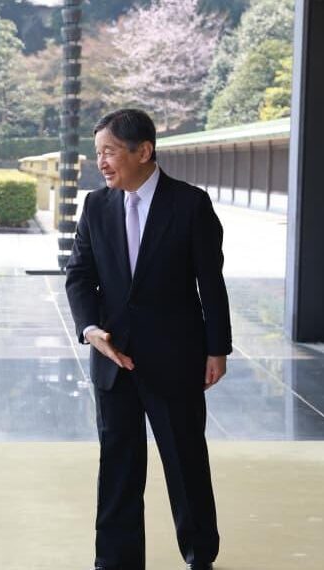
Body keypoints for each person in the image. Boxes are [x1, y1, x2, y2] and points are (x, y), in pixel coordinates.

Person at [65, 108, 232, 570]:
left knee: (185, 462)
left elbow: (210, 283)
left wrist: (217, 349)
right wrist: (89, 328)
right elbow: (79, 275)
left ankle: (200, 555)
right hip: (113, 360)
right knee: (118, 465)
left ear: (144, 151)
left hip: (175, 358)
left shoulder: (190, 204)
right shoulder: (96, 205)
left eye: (110, 151)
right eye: (98, 152)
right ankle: (115, 561)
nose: (101, 162)